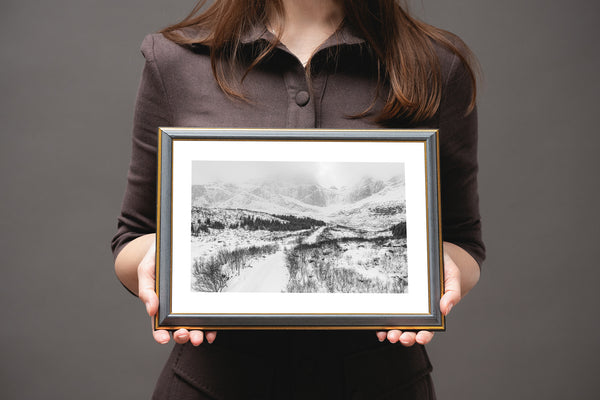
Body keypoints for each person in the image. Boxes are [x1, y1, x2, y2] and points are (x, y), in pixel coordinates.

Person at [112, 0, 484, 398]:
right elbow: (131, 238)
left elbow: (464, 242)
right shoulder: (174, 61)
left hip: (382, 386)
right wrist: (160, 261)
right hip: (212, 387)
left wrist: (435, 272)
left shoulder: (437, 65)